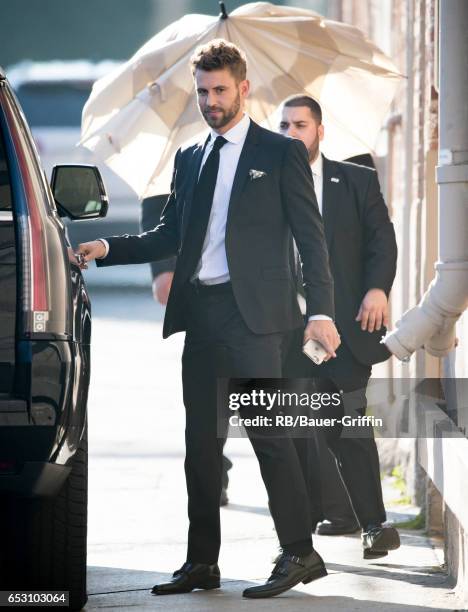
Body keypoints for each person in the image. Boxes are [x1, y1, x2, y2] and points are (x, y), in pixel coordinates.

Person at [76, 40, 340, 599]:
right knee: (201, 444)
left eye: (220, 90)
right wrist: (106, 247)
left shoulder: (279, 152)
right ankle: (202, 563)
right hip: (205, 316)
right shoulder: (191, 157)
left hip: (259, 321)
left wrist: (319, 310)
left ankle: (299, 552)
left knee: (270, 437)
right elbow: (168, 235)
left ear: (244, 88)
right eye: (202, 91)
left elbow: (312, 241)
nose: (210, 101)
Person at [279, 95, 400, 559]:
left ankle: (374, 524)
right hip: (291, 332)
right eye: (285, 125)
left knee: (345, 423)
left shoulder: (355, 180)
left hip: (348, 327)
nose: (292, 133)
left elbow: (381, 243)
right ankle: (299, 536)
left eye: (301, 125)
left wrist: (377, 290)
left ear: (319, 130)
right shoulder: (266, 186)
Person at [140, 195, 233, 506]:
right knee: (210, 392)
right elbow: (156, 203)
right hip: (203, 289)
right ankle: (212, 468)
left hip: (268, 288)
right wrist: (162, 269)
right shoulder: (182, 150)